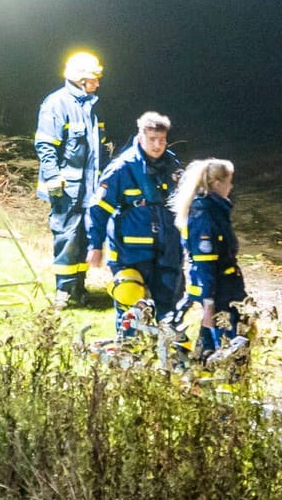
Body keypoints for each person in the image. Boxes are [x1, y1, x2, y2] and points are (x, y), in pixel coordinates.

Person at [85, 112, 183, 334]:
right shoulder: (122, 169)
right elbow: (98, 209)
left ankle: (167, 355)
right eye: (152, 140)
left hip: (167, 250)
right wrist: (95, 245)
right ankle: (127, 355)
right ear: (141, 138)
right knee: (131, 305)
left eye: (162, 140)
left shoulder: (172, 166)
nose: (157, 145)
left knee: (169, 306)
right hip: (131, 252)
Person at [33, 51, 106, 306]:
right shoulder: (56, 104)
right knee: (66, 238)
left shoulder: (89, 107)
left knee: (83, 239)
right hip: (65, 189)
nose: (97, 82)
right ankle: (63, 292)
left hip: (88, 189)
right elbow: (45, 144)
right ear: (80, 79)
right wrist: (52, 177)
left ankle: (78, 289)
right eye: (93, 77)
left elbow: (96, 151)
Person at [169, 158, 248, 360]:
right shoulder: (205, 214)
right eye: (229, 181)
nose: (231, 186)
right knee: (228, 347)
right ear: (217, 183)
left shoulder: (211, 209)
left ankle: (204, 374)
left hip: (222, 287)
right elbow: (205, 263)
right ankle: (222, 383)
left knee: (215, 346)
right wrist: (209, 303)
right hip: (219, 291)